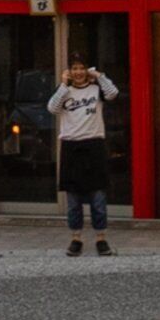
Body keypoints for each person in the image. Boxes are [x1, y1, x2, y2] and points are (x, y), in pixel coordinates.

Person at [53, 56, 121, 255]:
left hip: (94, 146)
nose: (78, 72)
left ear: (87, 70)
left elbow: (113, 93)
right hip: (71, 147)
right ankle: (76, 239)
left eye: (82, 68)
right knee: (73, 201)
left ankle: (101, 239)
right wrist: (63, 84)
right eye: (74, 68)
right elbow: (52, 108)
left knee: (98, 198)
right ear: (69, 71)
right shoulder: (64, 91)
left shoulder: (96, 89)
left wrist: (99, 75)